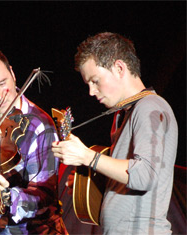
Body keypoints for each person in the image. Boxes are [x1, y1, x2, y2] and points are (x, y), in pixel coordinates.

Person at [52, 32, 178, 234]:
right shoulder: (126, 113)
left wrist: (88, 157)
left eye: (95, 81)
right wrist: (89, 182)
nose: (91, 92)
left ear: (119, 68)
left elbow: (145, 175)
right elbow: (129, 182)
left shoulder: (150, 107)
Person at [0, 46, 67, 234]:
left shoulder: (39, 126)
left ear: (13, 73)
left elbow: (43, 197)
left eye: (2, 83)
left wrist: (4, 195)